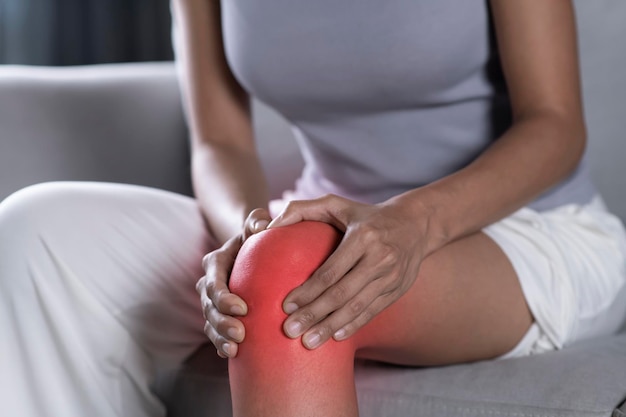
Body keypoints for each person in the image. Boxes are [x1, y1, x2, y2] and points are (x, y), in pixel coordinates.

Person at [1, 0, 625, 416]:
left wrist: (413, 223)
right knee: (38, 234)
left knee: (287, 282)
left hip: (517, 225)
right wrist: (245, 235)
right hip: (305, 222)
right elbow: (219, 141)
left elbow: (556, 125)